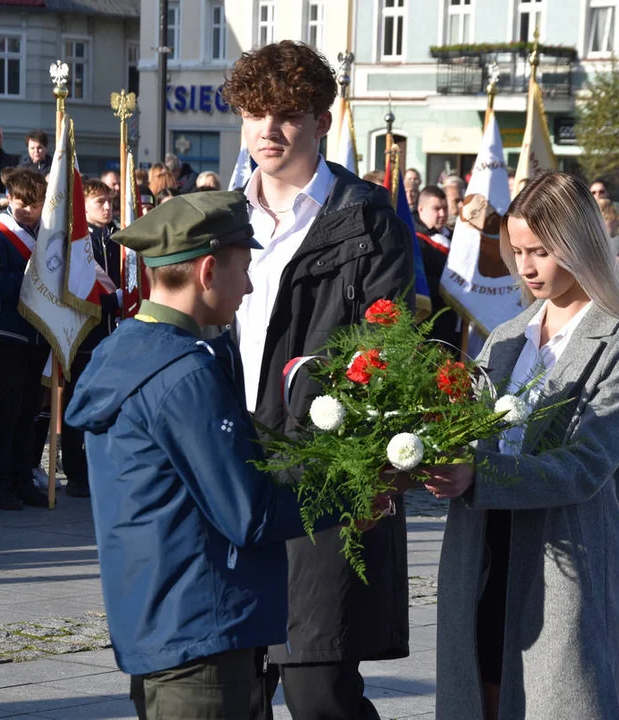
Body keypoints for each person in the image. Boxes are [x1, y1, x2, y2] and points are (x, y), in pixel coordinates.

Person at [64, 190, 342, 720]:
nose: (251, 285)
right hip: (202, 637)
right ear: (209, 270)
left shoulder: (127, 348)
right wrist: (350, 497)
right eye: (244, 268)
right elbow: (249, 514)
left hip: (163, 621)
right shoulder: (183, 373)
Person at [222, 40, 413, 719]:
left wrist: (362, 468)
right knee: (230, 689)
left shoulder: (367, 221)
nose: (268, 131)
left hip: (321, 476)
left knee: (318, 689)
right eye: (253, 114)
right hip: (227, 471)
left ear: (321, 122)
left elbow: (385, 359)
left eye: (287, 116)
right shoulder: (218, 217)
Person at [423, 170, 619, 720]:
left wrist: (479, 474)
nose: (525, 266)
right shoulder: (505, 338)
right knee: (482, 690)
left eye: (542, 251)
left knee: (556, 697)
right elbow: (464, 429)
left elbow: (585, 466)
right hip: (481, 547)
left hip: (563, 551)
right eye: (516, 250)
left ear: (580, 246)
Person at [0, 168, 51, 510]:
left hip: (37, 334)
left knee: (28, 411)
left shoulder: (49, 234)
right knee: (6, 410)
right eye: (21, 202)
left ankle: (23, 478)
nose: (26, 209)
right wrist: (32, 282)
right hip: (4, 331)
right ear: (9, 197)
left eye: (34, 204)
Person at [60, 179, 122, 499]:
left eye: (110, 201)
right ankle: (76, 472)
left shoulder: (121, 241)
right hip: (84, 335)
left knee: (110, 405)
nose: (108, 207)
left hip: (115, 334)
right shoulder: (77, 243)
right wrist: (113, 300)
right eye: (100, 202)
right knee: (78, 402)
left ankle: (106, 467)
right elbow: (77, 290)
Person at [414, 186, 460, 348]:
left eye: (445, 208)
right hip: (429, 323)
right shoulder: (414, 242)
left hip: (455, 322)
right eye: (436, 209)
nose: (442, 214)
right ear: (421, 209)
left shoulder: (457, 236)